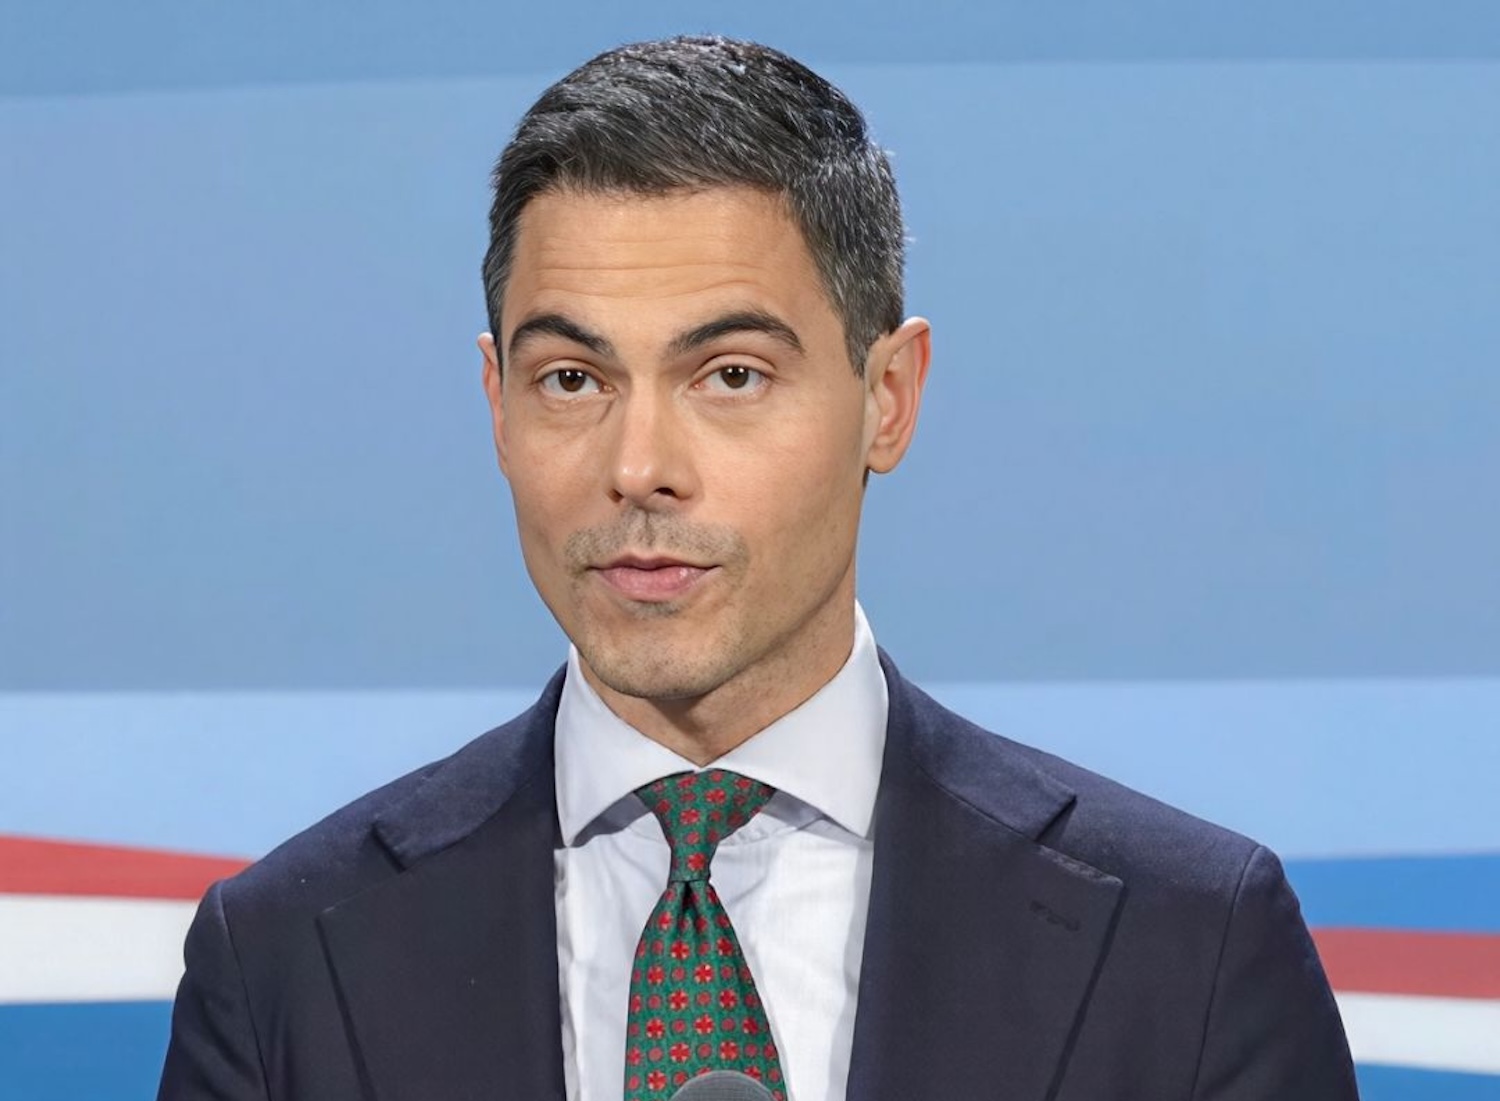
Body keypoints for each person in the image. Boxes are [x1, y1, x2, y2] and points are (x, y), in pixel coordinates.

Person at [157, 35, 1358, 1101]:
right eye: (572, 379)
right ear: (497, 407)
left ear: (889, 397)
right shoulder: (282, 962)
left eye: (730, 375)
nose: (638, 468)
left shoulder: (1188, 949)